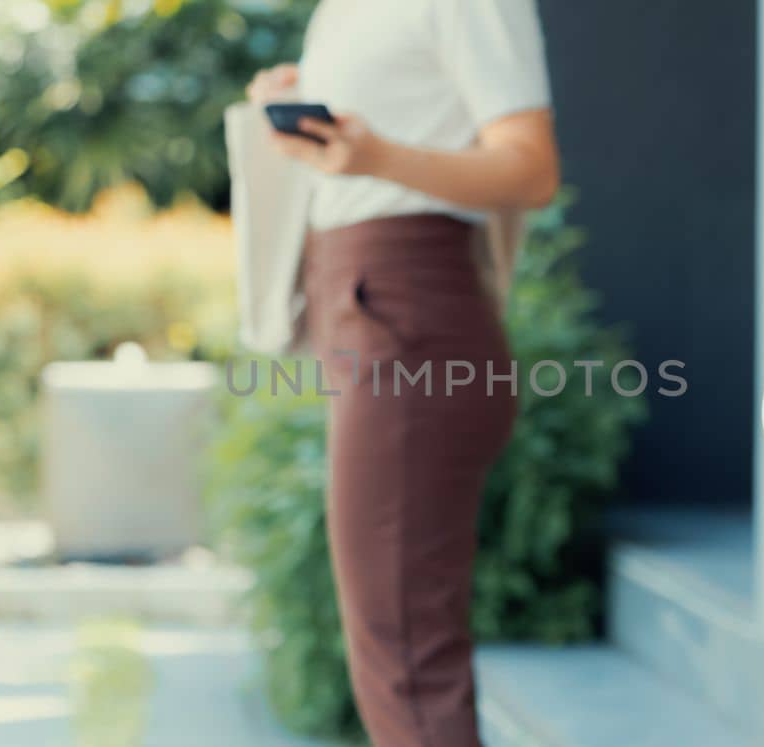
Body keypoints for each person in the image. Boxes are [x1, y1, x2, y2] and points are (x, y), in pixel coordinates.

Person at [245, 1, 557, 745]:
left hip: (411, 315)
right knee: (396, 646)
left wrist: (376, 155)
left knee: (407, 659)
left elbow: (532, 167)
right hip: (365, 308)